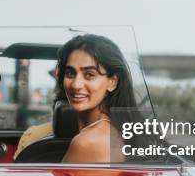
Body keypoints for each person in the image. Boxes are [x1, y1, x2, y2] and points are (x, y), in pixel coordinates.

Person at [54, 34, 140, 164]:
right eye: (70, 73)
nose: (76, 85)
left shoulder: (88, 142)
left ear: (113, 82)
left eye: (89, 74)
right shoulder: (117, 130)